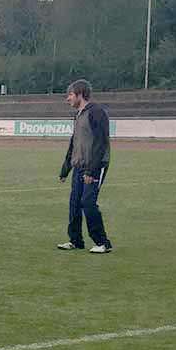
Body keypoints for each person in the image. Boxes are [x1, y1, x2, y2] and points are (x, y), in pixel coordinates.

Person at [56, 79, 114, 254]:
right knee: (74, 203)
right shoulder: (78, 115)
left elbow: (100, 143)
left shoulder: (97, 112)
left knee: (88, 203)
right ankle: (76, 240)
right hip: (79, 167)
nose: (68, 98)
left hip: (94, 166)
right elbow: (74, 143)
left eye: (70, 95)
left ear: (80, 94)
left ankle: (103, 242)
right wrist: (65, 169)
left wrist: (92, 170)